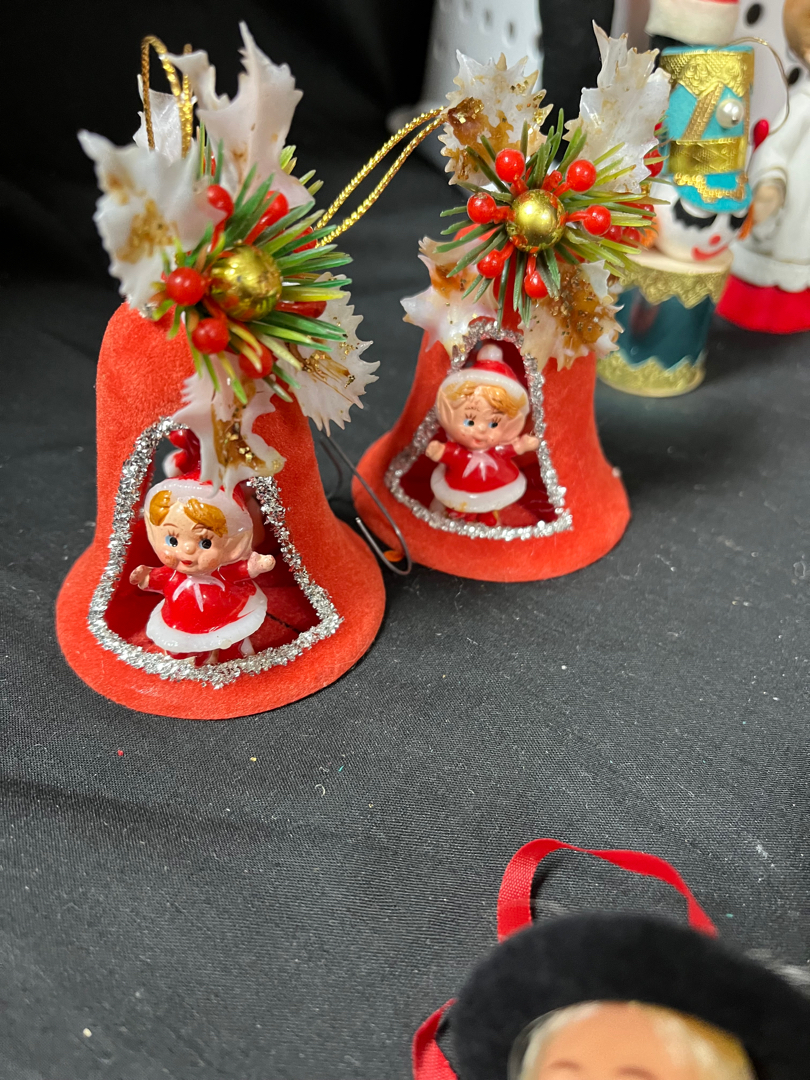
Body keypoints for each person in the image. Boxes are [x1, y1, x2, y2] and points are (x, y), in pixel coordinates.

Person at [718, 0, 810, 332]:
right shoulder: (803, 106)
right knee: (780, 258)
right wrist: (771, 184)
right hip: (794, 207)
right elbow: (774, 149)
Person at [130, 476, 275, 664]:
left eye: (205, 543)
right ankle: (194, 659)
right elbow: (158, 579)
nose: (187, 550)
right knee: (183, 649)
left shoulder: (220, 571)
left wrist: (255, 566)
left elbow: (237, 572)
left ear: (230, 545)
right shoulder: (172, 574)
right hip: (182, 622)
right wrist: (145, 577)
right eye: (172, 541)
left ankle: (235, 656)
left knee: (230, 641)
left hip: (226, 615)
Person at [426, 344, 540, 527]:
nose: (481, 430)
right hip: (461, 484)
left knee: (491, 501)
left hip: (496, 480)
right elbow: (451, 453)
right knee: (458, 503)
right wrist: (439, 451)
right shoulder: (460, 450)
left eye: (493, 424)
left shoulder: (497, 449)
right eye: (469, 421)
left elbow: (509, 449)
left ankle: (487, 514)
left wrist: (523, 445)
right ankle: (459, 514)